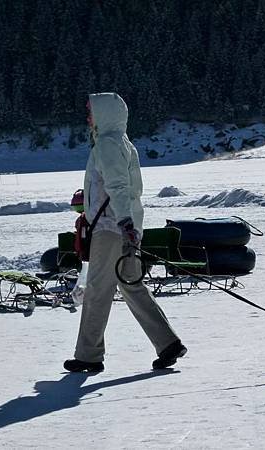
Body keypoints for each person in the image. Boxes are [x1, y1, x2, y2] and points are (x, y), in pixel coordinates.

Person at [64, 92, 187, 372]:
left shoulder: (107, 144)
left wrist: (123, 224)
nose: (88, 117)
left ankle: (89, 355)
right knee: (131, 284)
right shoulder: (122, 143)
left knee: (97, 290)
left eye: (91, 111)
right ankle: (167, 343)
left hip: (111, 228)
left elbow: (118, 187)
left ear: (104, 114)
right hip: (124, 226)